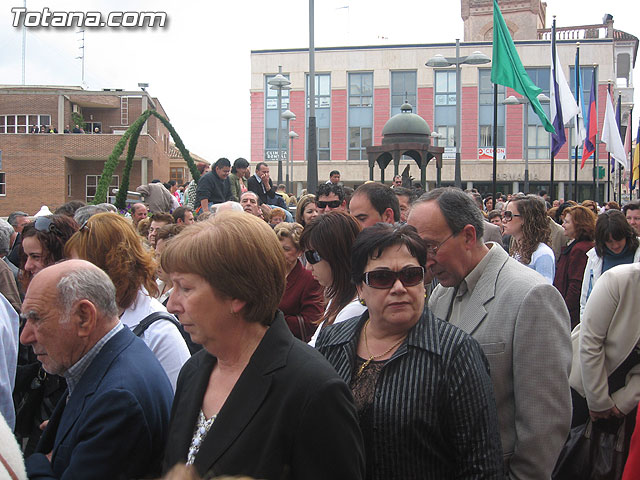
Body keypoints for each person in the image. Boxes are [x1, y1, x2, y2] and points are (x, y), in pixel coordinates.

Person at [161, 212, 365, 479]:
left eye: (185, 288)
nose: (171, 305)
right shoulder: (194, 371)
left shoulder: (313, 390)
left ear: (237, 294)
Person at [408, 187, 572, 479]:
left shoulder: (531, 296)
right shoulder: (439, 296)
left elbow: (545, 424)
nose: (426, 261)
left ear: (469, 236)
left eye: (431, 247)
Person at [316, 223, 503, 478]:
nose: (399, 288)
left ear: (423, 284)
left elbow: (481, 464)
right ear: (360, 288)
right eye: (382, 278)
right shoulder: (331, 341)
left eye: (411, 275)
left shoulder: (455, 353)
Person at [21, 260, 173, 479]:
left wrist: (37, 463)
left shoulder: (118, 400)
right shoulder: (111, 359)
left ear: (84, 317)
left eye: (36, 319)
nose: (25, 337)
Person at [64, 213, 190, 390]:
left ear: (109, 267)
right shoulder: (90, 318)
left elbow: (177, 405)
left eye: (81, 270)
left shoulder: (159, 333)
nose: (72, 278)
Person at [569, 263, 640, 466]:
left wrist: (623, 402)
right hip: (583, 384)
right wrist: (598, 401)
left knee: (605, 463)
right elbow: (590, 342)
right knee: (567, 456)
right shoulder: (618, 280)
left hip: (625, 394)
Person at [300, 212, 366, 347]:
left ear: (336, 255)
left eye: (312, 256)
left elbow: (320, 355)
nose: (308, 267)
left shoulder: (355, 308)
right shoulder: (338, 296)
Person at [579, 209, 640, 320]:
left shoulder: (637, 252)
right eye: (609, 241)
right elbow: (586, 298)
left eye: (618, 240)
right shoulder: (594, 257)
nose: (615, 245)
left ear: (627, 234)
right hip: (605, 322)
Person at [274, 223, 324, 342]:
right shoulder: (266, 274)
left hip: (290, 345)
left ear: (299, 252)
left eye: (286, 249)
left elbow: (311, 321)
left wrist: (272, 319)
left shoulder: (309, 279)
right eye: (276, 247)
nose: (279, 253)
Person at [553, 205, 596, 328]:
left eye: (567, 222)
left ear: (578, 224)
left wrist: (563, 311)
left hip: (570, 317)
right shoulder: (576, 247)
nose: (563, 225)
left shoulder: (579, 250)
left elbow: (575, 286)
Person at [502, 194, 555, 283]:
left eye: (508, 215)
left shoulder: (543, 254)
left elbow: (543, 292)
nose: (503, 219)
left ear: (525, 218)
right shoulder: (516, 250)